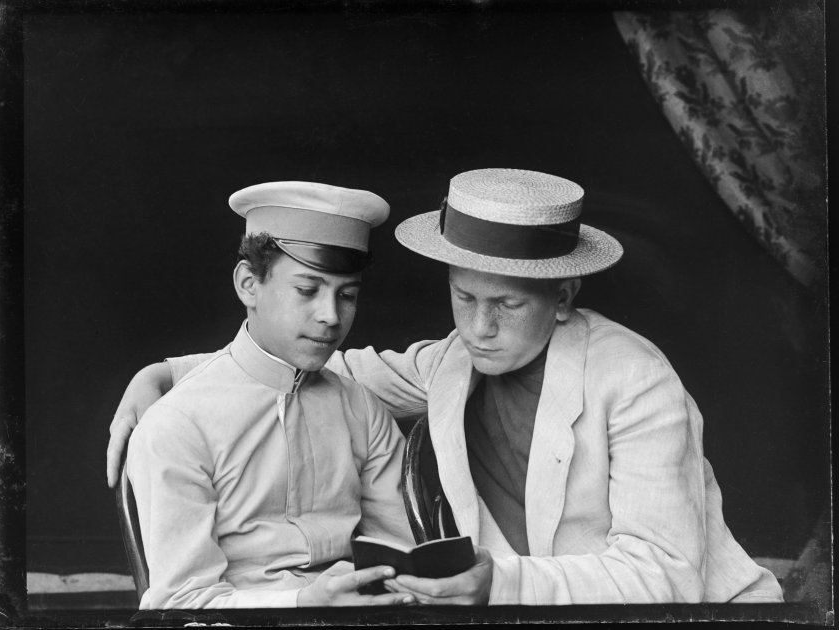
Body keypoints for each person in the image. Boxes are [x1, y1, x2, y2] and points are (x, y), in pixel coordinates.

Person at [109, 169, 783, 606]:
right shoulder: (450, 363)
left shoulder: (635, 379)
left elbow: (665, 576)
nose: (480, 329)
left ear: (563, 296)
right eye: (464, 298)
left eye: (508, 305)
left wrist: (500, 582)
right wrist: (164, 375)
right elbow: (308, 366)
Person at [122, 181, 419, 609]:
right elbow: (183, 602)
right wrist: (303, 604)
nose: (331, 316)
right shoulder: (177, 423)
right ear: (248, 284)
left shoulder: (362, 409)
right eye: (307, 290)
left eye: (347, 295)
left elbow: (403, 557)